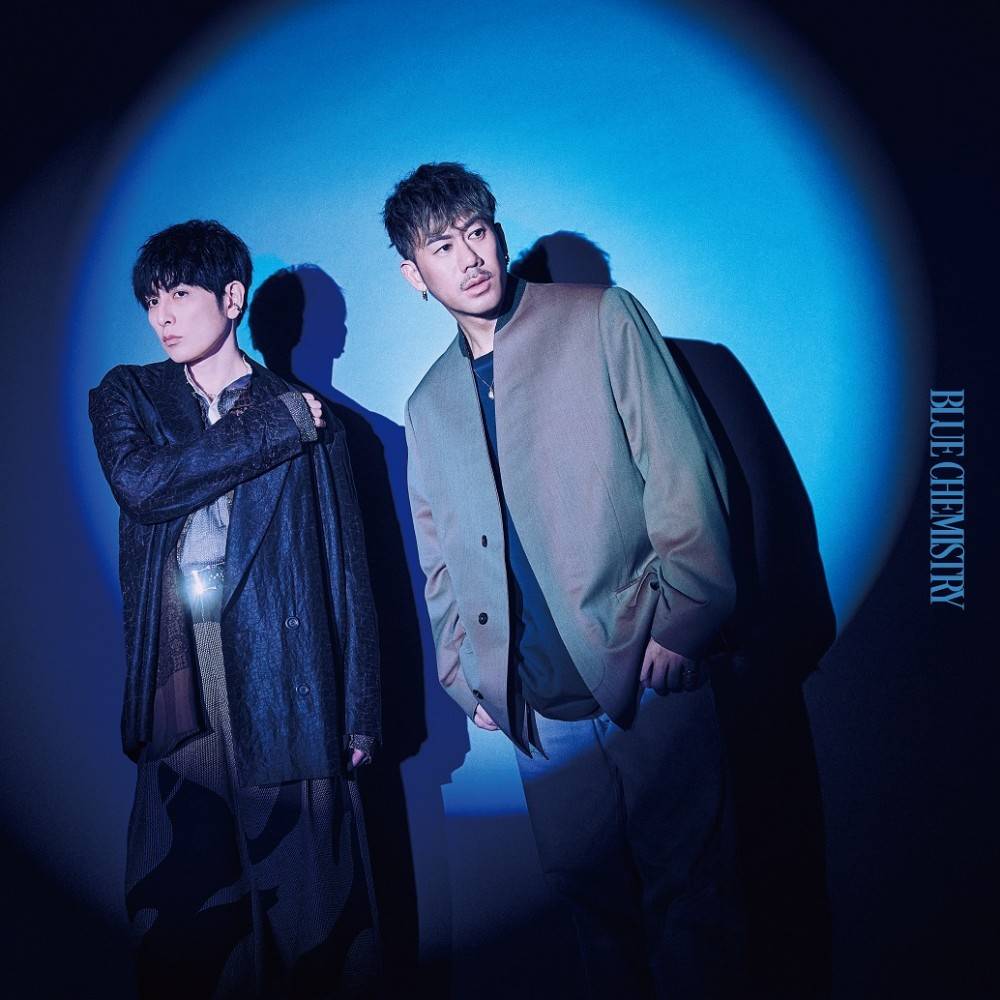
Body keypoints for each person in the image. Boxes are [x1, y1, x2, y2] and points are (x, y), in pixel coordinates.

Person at [386, 164, 743, 997]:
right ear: (415, 275)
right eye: (443, 246)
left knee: (694, 900)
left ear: (498, 234)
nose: (469, 257)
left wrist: (685, 618)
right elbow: (438, 555)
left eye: (478, 232)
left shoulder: (600, 318)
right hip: (539, 707)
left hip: (645, 666)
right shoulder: (428, 402)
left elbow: (682, 469)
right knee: (591, 912)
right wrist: (465, 669)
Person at [89, 220, 381, 998]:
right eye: (151, 300)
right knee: (185, 907)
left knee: (313, 905)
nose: (162, 316)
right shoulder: (130, 394)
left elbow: (346, 566)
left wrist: (359, 711)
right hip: (181, 663)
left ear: (232, 298)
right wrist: (276, 427)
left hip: (290, 666)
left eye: (179, 294)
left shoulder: (310, 415)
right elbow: (143, 487)